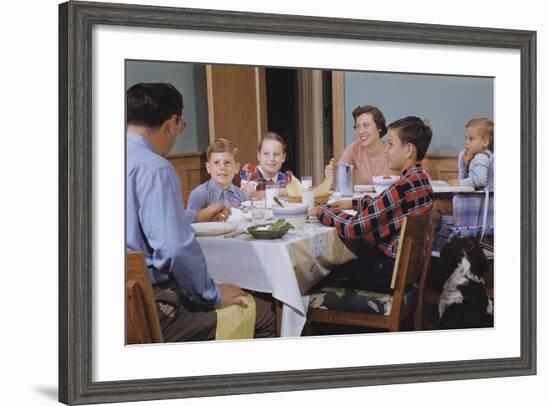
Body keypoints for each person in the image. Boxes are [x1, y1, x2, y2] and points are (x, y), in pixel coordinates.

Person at [126, 82, 274, 341]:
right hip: (150, 307)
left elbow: (140, 220)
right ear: (171, 123)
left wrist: (196, 215)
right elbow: (175, 249)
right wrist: (212, 295)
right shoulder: (156, 168)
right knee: (265, 314)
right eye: (181, 126)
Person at [312, 116, 434, 293]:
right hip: (403, 272)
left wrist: (322, 211)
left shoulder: (401, 187)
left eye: (391, 144)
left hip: (387, 271)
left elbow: (355, 228)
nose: (386, 150)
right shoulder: (421, 180)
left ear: (408, 150)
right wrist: (354, 203)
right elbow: (388, 206)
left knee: (317, 277)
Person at [325, 105, 399, 185]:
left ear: (379, 128)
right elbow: (339, 178)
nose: (361, 131)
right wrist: (331, 175)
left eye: (366, 125)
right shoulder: (354, 148)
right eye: (358, 126)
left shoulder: (392, 149)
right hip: (367, 197)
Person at [187, 138, 246, 210]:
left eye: (227, 162)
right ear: (208, 167)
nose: (222, 167)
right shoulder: (199, 194)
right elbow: (191, 219)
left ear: (236, 168)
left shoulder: (240, 195)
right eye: (216, 162)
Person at [240, 132, 290, 199]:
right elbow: (249, 195)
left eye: (276, 154)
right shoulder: (251, 173)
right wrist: (280, 192)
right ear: (259, 156)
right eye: (266, 153)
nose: (271, 158)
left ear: (283, 157)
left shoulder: (285, 178)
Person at [448, 118, 494, 189]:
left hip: (477, 199)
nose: (466, 142)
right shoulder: (481, 156)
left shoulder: (481, 157)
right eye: (466, 138)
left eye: (471, 138)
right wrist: (468, 163)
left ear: (485, 142)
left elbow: (480, 181)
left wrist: (459, 183)